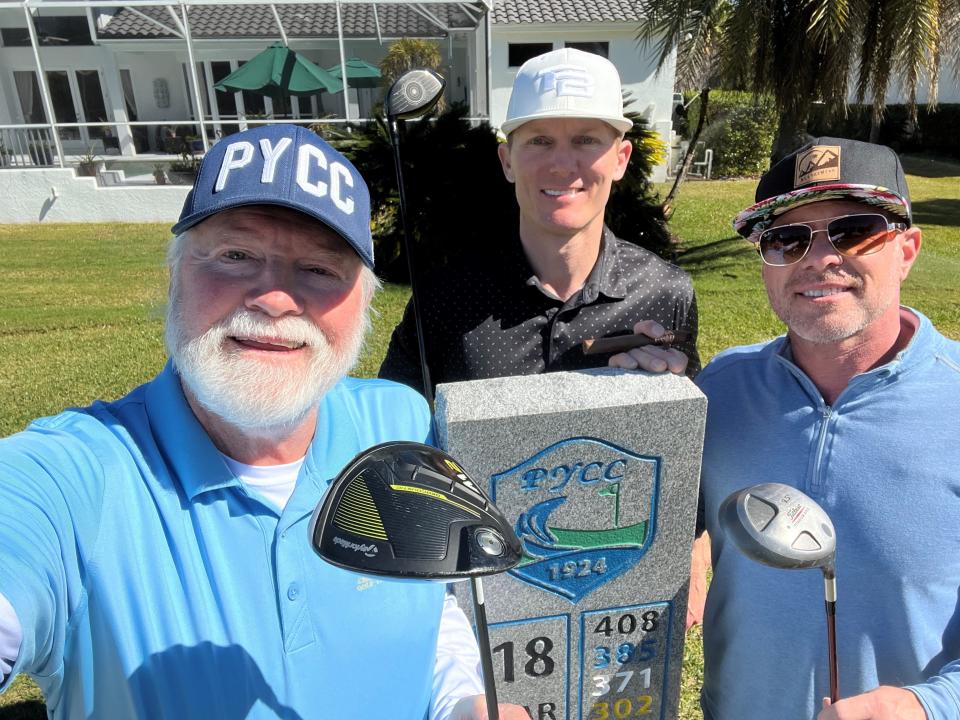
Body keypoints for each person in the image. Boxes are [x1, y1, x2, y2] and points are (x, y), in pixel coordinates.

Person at [0, 124, 528, 720]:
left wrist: (461, 701)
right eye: (236, 256)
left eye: (319, 269)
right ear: (174, 278)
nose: (274, 297)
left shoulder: (396, 421)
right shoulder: (72, 479)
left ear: (365, 304)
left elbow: (427, 600)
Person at [694, 136, 960, 719]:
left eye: (854, 230)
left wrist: (927, 706)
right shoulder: (718, 391)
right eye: (786, 238)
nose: (819, 259)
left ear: (907, 249)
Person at [378, 48, 699, 393]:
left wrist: (666, 387)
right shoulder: (442, 297)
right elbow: (390, 430)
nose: (561, 165)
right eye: (540, 141)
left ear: (620, 159)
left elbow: (686, 435)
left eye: (586, 140)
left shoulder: (667, 294)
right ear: (507, 161)